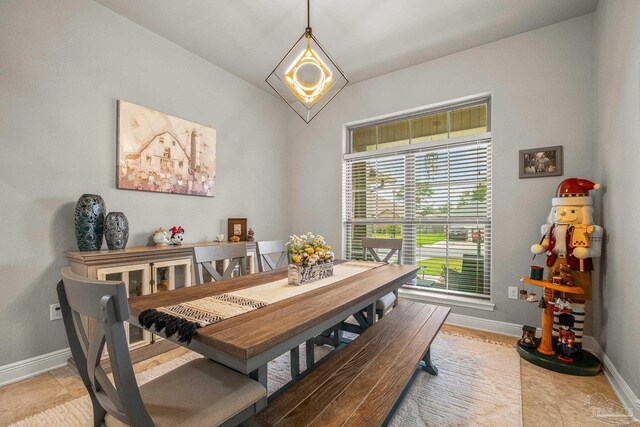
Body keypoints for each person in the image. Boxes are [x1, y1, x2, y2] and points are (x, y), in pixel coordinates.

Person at [531, 178, 603, 352]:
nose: (563, 214)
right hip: (555, 265)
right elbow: (547, 244)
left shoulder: (590, 230)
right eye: (560, 210)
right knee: (553, 300)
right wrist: (541, 247)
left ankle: (575, 341)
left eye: (570, 210)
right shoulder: (551, 229)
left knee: (576, 303)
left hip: (578, 269)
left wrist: (585, 252)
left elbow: (596, 250)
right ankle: (553, 337)